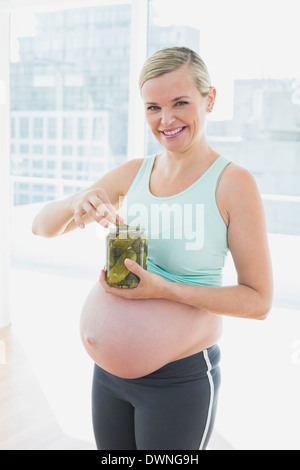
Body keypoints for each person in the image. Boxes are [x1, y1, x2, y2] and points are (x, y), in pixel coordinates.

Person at [32, 46, 273, 450]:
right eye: (153, 107)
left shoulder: (233, 183)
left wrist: (166, 289)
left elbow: (259, 301)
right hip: (107, 378)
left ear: (209, 99)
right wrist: (78, 202)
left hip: (179, 382)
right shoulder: (134, 173)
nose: (167, 120)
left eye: (181, 102)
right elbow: (42, 227)